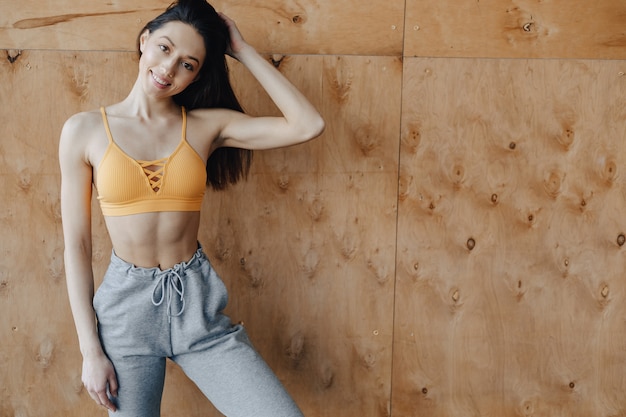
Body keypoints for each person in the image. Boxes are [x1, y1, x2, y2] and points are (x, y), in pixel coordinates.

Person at [58, 0, 324, 415]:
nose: (169, 69)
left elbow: (307, 124)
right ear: (144, 40)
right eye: (164, 49)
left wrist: (243, 50)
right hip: (126, 315)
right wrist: (90, 350)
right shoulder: (84, 130)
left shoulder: (205, 126)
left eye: (188, 64)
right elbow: (75, 244)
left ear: (198, 74)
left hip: (196, 306)